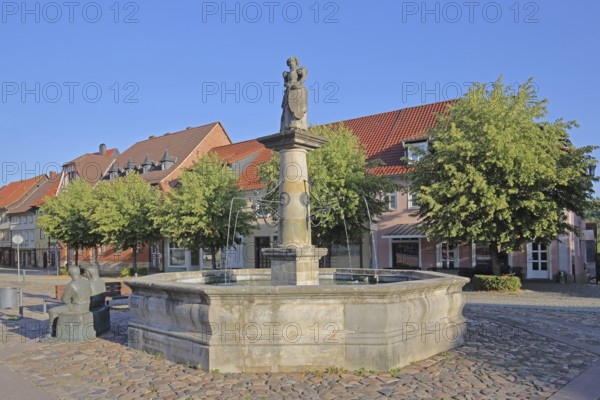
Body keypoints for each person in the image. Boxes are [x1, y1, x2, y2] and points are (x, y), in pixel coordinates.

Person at [47, 266, 92, 335]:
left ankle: (53, 331)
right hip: (86, 306)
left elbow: (64, 300)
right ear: (79, 272)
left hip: (76, 308)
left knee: (52, 311)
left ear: (69, 274)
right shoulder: (86, 282)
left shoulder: (71, 285)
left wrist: (69, 302)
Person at [280, 57, 308, 132]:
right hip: (288, 91)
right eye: (289, 63)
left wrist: (298, 83)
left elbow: (304, 77)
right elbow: (285, 83)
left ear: (296, 63)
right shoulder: (288, 73)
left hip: (296, 90)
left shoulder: (299, 70)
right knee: (287, 109)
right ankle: (286, 126)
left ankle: (295, 125)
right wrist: (285, 79)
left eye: (292, 62)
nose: (290, 64)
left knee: (295, 108)